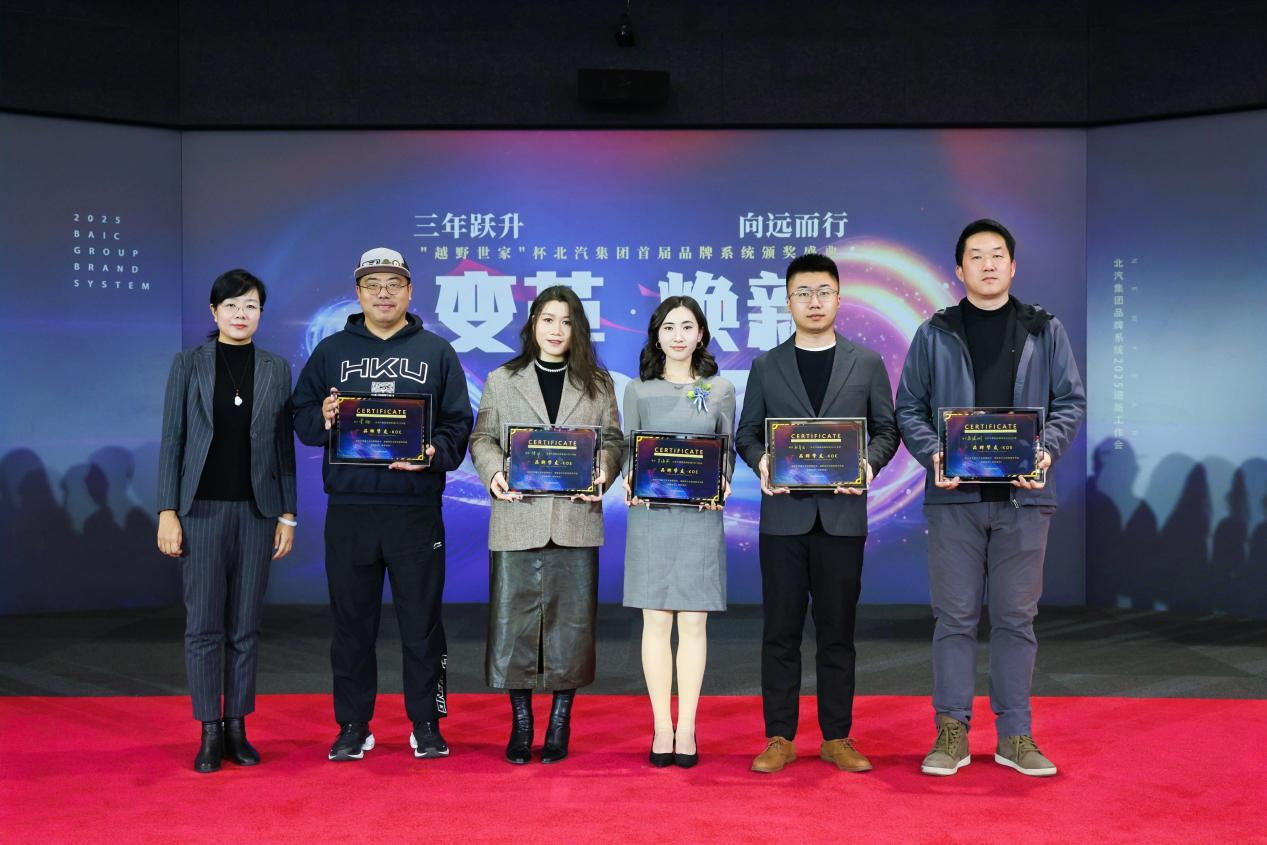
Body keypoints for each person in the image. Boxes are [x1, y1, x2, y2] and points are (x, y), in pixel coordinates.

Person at [895, 219, 1085, 777]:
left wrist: (1046, 450)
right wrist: (935, 453)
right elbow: (909, 407)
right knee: (954, 619)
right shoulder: (935, 332)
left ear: (1013, 266)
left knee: (1015, 619)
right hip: (955, 498)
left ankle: (1015, 735)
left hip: (1025, 499)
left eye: (997, 254)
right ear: (959, 269)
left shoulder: (1045, 329)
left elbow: (1070, 402)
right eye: (975, 256)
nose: (987, 264)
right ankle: (951, 731)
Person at [291, 247, 473, 762]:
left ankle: (426, 723)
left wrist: (433, 452)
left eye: (394, 283)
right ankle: (353, 725)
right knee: (351, 625)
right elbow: (301, 418)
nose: (384, 293)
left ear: (410, 291)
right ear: (358, 293)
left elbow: (459, 423)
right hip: (351, 509)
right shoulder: (331, 351)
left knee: (422, 623)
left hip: (414, 510)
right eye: (373, 284)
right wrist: (324, 416)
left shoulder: (437, 352)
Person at [735, 254, 899, 774]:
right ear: (788, 301)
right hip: (783, 520)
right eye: (803, 293)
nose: (814, 301)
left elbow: (887, 430)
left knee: (837, 633)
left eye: (823, 291)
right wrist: (762, 461)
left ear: (838, 298)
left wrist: (868, 465)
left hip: (842, 519)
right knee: (780, 632)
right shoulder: (766, 366)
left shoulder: (866, 363)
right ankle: (779, 737)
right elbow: (747, 432)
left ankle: (837, 737)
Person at [468, 286, 623, 764]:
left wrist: (604, 471)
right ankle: (521, 723)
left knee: (571, 628)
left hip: (575, 519)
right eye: (548, 319)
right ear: (533, 323)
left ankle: (559, 722)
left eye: (567, 321)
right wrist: (494, 471)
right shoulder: (503, 379)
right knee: (513, 627)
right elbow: (482, 437)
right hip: (518, 516)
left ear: (578, 329)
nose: (557, 330)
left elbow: (613, 440)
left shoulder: (598, 383)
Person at [156, 269, 297, 773]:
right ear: (214, 312)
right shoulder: (188, 363)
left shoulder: (276, 368)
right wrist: (168, 511)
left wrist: (288, 514)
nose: (242, 314)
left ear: (261, 314)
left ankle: (237, 725)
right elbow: (173, 439)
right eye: (233, 305)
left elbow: (283, 446)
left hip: (257, 512)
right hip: (200, 511)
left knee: (245, 626)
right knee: (203, 626)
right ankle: (209, 730)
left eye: (251, 306)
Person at [621, 296, 735, 769]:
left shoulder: (720, 389)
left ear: (701, 335)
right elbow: (628, 447)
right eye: (669, 327)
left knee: (693, 623)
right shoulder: (638, 390)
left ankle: (686, 725)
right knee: (655, 622)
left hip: (699, 517)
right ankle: (660, 726)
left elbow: (726, 450)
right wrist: (629, 475)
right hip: (652, 517)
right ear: (657, 335)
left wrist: (723, 479)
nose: (678, 336)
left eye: (688, 327)